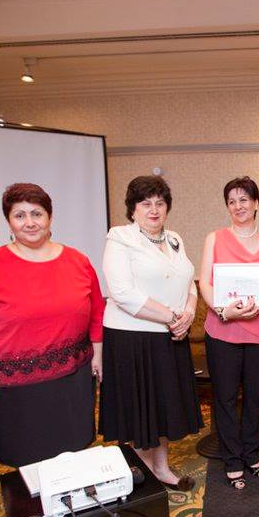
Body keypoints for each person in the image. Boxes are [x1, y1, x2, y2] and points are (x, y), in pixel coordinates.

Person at [0, 183, 104, 467]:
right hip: (15, 384)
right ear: (9, 221)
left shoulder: (78, 260)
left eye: (36, 214)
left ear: (49, 217)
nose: (29, 222)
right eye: (20, 215)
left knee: (72, 452)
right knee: (26, 456)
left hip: (72, 376)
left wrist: (98, 355)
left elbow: (97, 311)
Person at [99, 175, 203, 491]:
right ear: (133, 208)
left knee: (162, 407)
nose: (154, 210)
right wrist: (172, 317)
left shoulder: (174, 239)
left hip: (169, 337)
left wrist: (189, 313)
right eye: (146, 204)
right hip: (134, 338)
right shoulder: (120, 238)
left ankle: (161, 468)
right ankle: (142, 477)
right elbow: (122, 292)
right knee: (141, 411)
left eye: (160, 203)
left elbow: (189, 281)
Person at [198, 176, 259, 490]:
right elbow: (205, 282)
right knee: (226, 397)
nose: (238, 206)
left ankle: (251, 451)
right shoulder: (215, 238)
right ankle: (232, 458)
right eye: (231, 201)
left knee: (255, 396)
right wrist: (223, 310)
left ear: (256, 203)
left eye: (244, 199)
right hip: (222, 330)